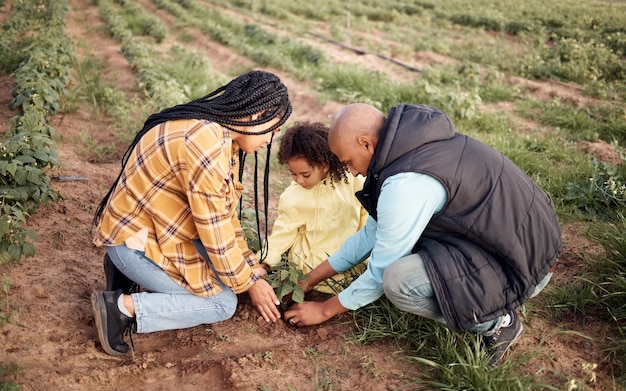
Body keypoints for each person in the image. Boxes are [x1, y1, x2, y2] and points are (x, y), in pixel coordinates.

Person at [284, 103, 562, 366]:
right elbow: (371, 235)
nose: (354, 172)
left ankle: (499, 323)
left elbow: (380, 271)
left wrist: (324, 310)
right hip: (520, 242)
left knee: (399, 281)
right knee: (406, 247)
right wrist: (309, 280)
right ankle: (494, 300)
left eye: (349, 162)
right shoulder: (411, 145)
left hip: (525, 264)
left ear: (366, 144)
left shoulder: (405, 184)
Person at [90, 70, 292, 356]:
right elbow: (218, 237)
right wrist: (249, 283)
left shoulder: (219, 137)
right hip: (134, 244)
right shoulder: (206, 148)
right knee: (222, 302)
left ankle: (122, 273)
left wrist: (249, 266)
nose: (270, 140)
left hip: (154, 231)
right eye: (273, 129)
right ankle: (120, 308)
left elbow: (225, 217)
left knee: (229, 278)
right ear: (254, 116)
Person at [262, 121, 368, 294]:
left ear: (325, 165)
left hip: (348, 268)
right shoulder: (293, 197)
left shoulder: (353, 181)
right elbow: (283, 232)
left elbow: (366, 217)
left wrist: (366, 257)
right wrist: (265, 263)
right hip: (307, 270)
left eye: (305, 174)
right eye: (293, 174)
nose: (299, 180)